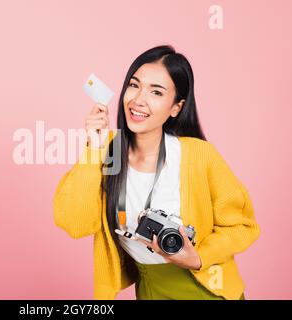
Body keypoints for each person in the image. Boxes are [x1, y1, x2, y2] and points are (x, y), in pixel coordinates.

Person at [53, 45, 260, 300]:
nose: (139, 99)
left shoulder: (198, 155)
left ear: (176, 107)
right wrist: (93, 149)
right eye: (134, 85)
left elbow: (243, 225)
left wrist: (198, 257)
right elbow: (75, 223)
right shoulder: (108, 153)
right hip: (152, 291)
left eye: (156, 92)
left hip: (208, 290)